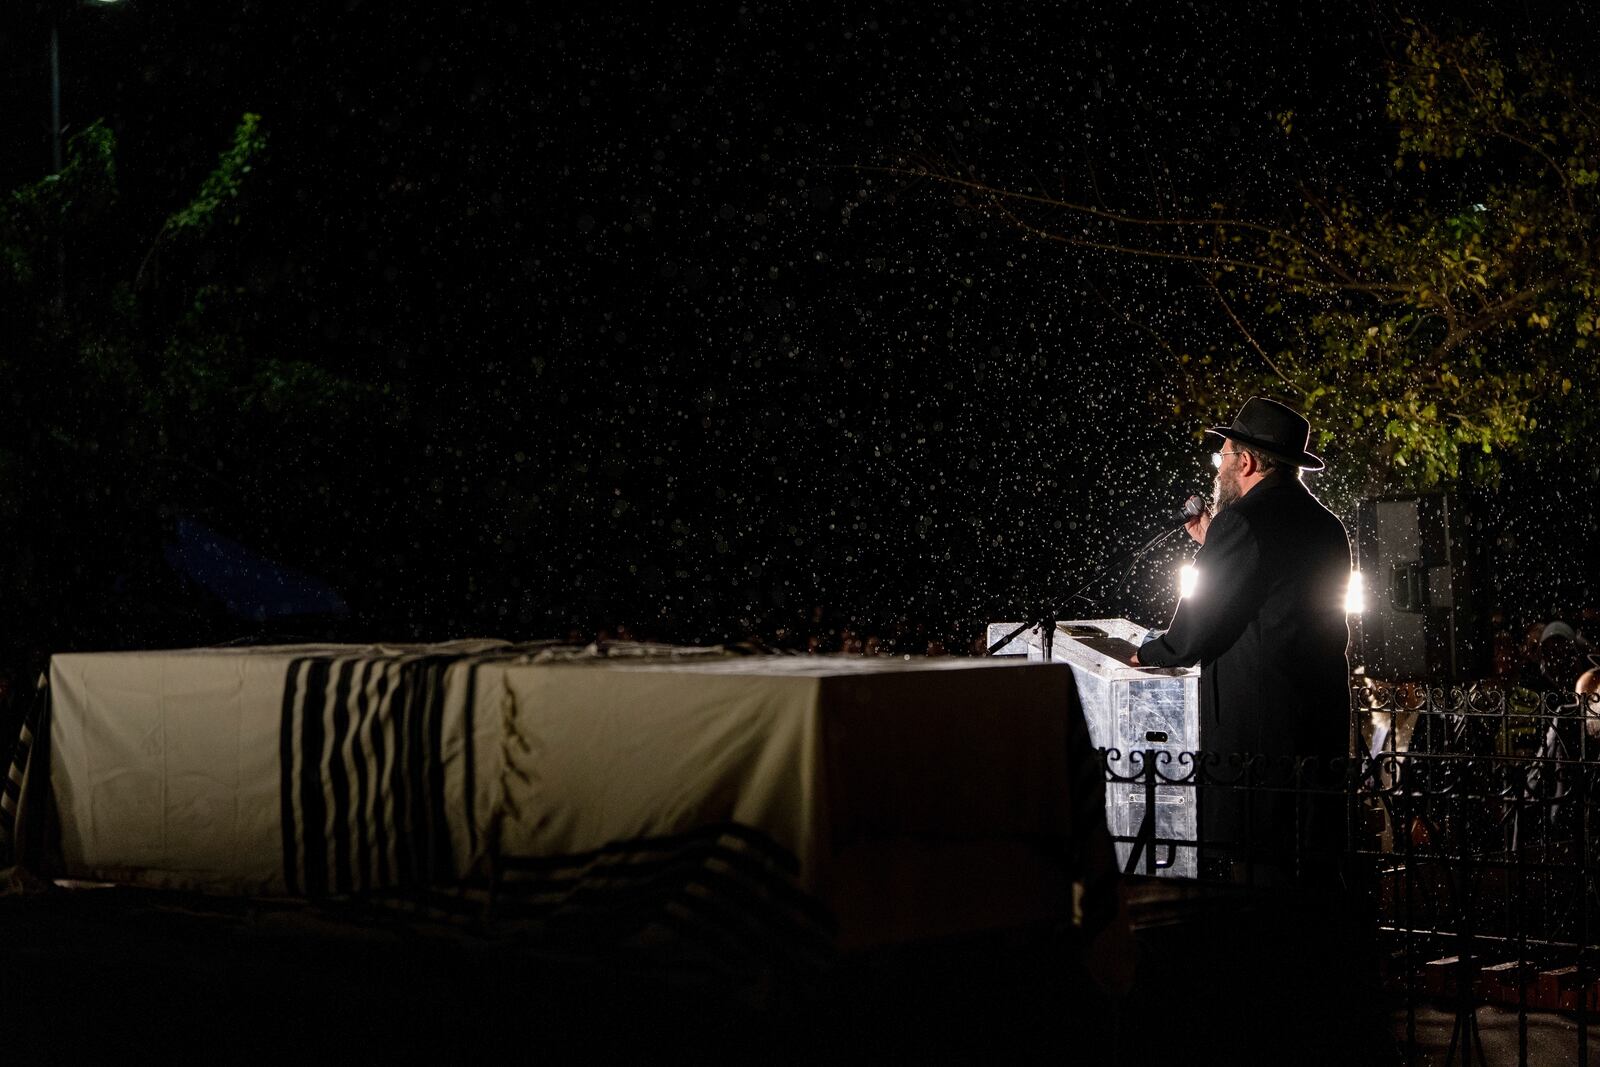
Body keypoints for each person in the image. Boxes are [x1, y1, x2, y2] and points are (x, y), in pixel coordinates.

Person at [1131, 396, 1352, 883]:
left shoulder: (1243, 521)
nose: (1217, 470)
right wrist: (1216, 544)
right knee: (1311, 871)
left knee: (1258, 878)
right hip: (1316, 728)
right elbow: (1272, 591)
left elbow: (1193, 632)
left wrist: (1144, 652)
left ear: (1247, 462)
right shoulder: (1326, 525)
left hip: (1256, 740)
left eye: (1222, 457)